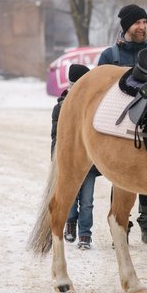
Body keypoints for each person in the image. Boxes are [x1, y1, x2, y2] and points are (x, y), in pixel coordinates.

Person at [97, 4, 147, 246]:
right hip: (117, 126)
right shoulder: (109, 56)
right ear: (126, 26)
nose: (142, 27)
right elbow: (98, 92)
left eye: (145, 22)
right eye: (137, 23)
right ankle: (121, 226)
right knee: (122, 177)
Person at [51, 64, 98, 250]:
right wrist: (55, 157)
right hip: (69, 162)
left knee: (87, 201)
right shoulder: (61, 108)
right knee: (69, 198)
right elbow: (56, 135)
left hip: (89, 164)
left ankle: (85, 233)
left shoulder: (93, 108)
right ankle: (70, 224)